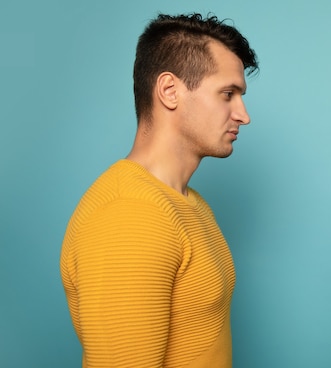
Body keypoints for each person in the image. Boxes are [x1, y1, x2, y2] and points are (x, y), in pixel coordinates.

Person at [60, 13, 258, 368]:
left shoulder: (189, 203)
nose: (243, 114)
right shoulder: (128, 215)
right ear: (170, 91)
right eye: (228, 94)